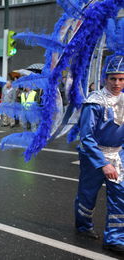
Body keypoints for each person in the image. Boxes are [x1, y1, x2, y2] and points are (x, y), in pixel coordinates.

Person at [74, 55, 124, 253]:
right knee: (87, 195)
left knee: (120, 195)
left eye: (121, 79)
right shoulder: (94, 102)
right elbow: (86, 137)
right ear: (105, 79)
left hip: (117, 155)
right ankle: (83, 226)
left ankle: (114, 238)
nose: (117, 83)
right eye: (113, 78)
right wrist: (103, 163)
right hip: (93, 156)